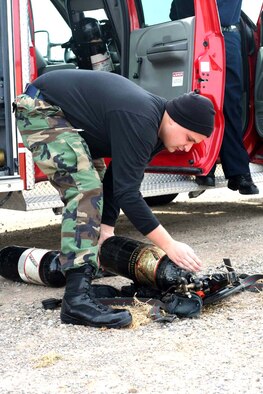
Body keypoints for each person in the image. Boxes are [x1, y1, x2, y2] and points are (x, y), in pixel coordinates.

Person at [14, 69, 215, 328]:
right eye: (189, 138)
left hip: (69, 118)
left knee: (94, 187)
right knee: (85, 188)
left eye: (194, 144)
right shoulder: (142, 118)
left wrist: (106, 230)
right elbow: (128, 196)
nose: (187, 148)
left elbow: (118, 181)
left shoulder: (156, 129)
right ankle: (76, 300)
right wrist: (170, 245)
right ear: (174, 120)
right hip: (42, 108)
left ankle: (84, 265)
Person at [169, 0, 259, 195]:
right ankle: (204, 166)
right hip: (193, 35)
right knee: (197, 102)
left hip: (225, 36)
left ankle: (238, 171)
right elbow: (175, 12)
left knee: (229, 103)